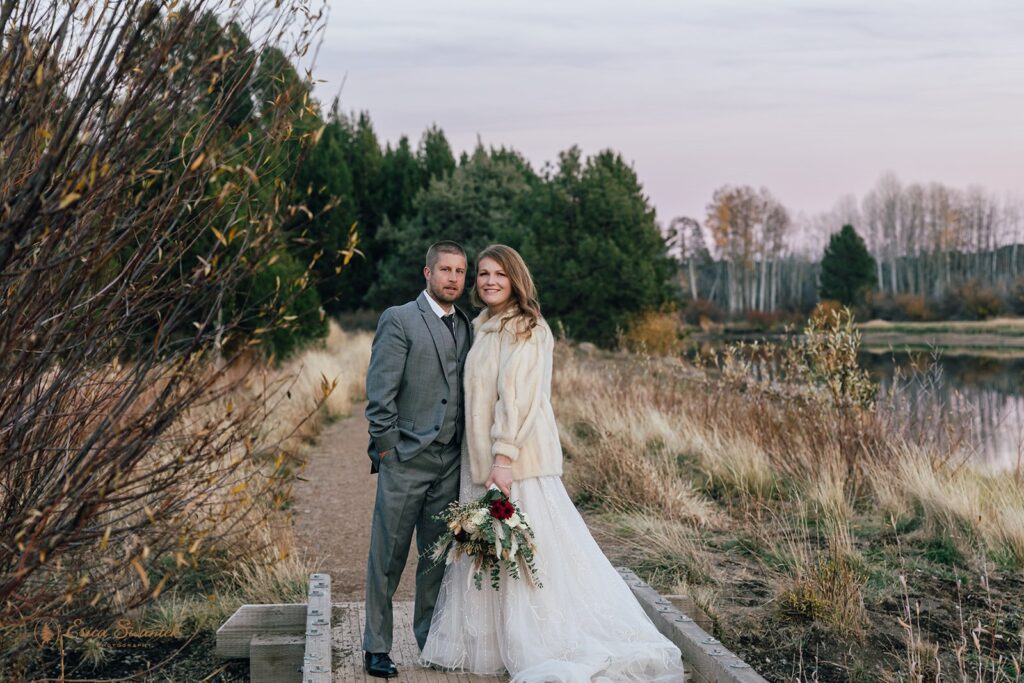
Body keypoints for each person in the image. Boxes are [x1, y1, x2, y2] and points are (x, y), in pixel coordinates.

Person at [420, 245, 685, 682]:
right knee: (492, 558)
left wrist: (503, 459)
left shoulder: (527, 327)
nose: (488, 281)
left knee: (526, 559)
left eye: (499, 275)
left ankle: (542, 642)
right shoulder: (483, 327)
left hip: (516, 464)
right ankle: (493, 646)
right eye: (482, 274)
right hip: (481, 465)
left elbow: (519, 401)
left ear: (515, 280)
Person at [362, 240, 473, 679]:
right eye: (445, 269)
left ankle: (430, 641)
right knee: (387, 556)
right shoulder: (401, 319)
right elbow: (379, 395)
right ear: (427, 273)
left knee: (436, 558)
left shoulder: (467, 324)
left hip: (450, 461)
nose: (453, 278)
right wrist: (389, 451)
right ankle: (376, 647)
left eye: (460, 271)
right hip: (406, 458)